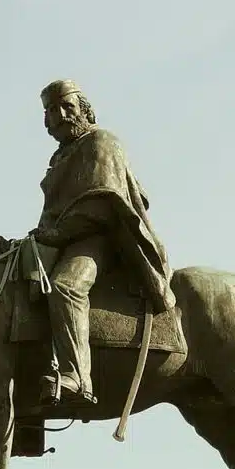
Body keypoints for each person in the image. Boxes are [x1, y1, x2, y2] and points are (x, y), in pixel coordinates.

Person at [31, 79, 176, 405]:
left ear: (85, 110)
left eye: (67, 106)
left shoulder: (101, 142)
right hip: (65, 239)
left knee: (66, 286)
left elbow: (104, 204)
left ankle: (77, 376)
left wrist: (58, 234)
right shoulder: (60, 157)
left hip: (103, 237)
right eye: (51, 110)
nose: (60, 115)